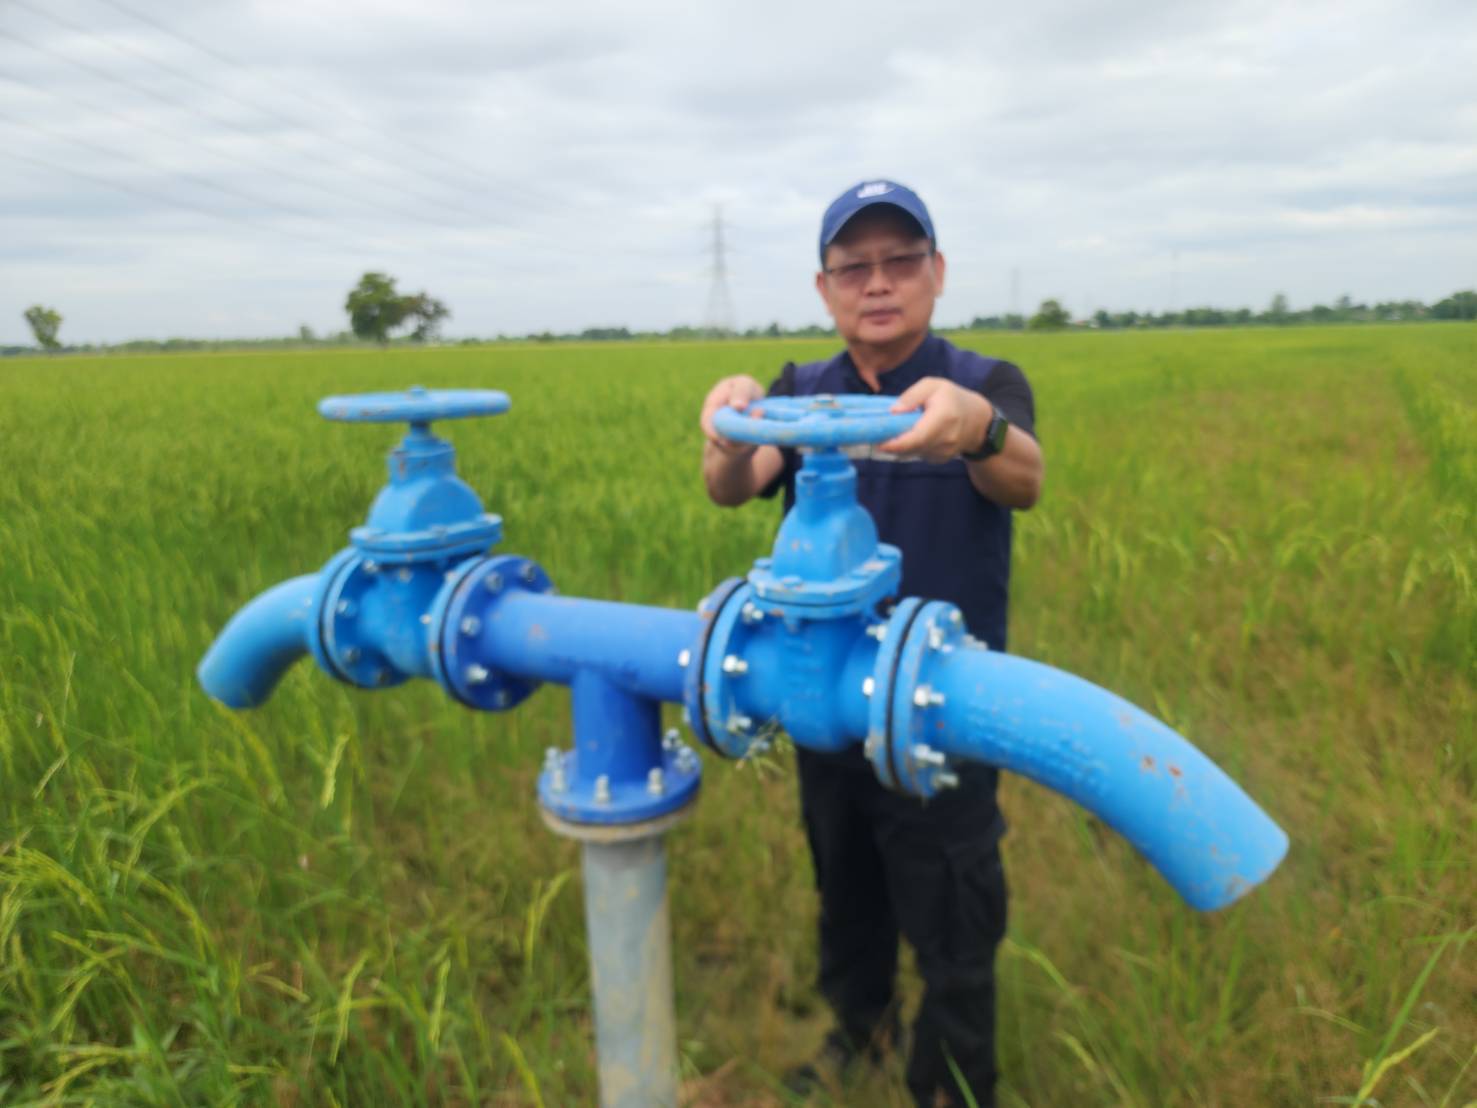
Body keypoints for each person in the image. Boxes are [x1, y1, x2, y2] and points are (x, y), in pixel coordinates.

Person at [697, 180, 1044, 1107]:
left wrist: (974, 430)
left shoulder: (982, 383)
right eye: (854, 268)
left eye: (899, 262)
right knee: (845, 889)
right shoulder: (801, 392)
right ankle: (859, 1035)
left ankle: (950, 1082)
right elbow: (733, 484)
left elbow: (1024, 479)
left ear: (936, 273)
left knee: (953, 909)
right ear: (824, 289)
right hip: (823, 697)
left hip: (941, 704)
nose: (877, 283)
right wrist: (728, 424)